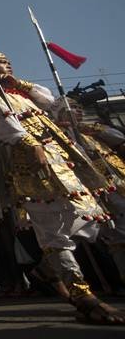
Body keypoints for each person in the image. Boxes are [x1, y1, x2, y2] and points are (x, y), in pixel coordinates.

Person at [0, 47, 124, 324]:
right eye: (0, 63)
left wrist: (25, 86)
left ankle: (46, 271)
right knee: (54, 230)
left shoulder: (25, 95)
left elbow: (54, 105)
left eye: (8, 61)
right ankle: (84, 297)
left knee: (90, 218)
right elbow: (2, 125)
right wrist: (30, 144)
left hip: (64, 162)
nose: (8, 66)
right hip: (31, 166)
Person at [51, 96, 125, 285]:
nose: (79, 111)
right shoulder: (60, 134)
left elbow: (118, 138)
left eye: (79, 108)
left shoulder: (90, 130)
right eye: (72, 108)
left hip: (116, 183)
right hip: (95, 190)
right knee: (115, 237)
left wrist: (91, 128)